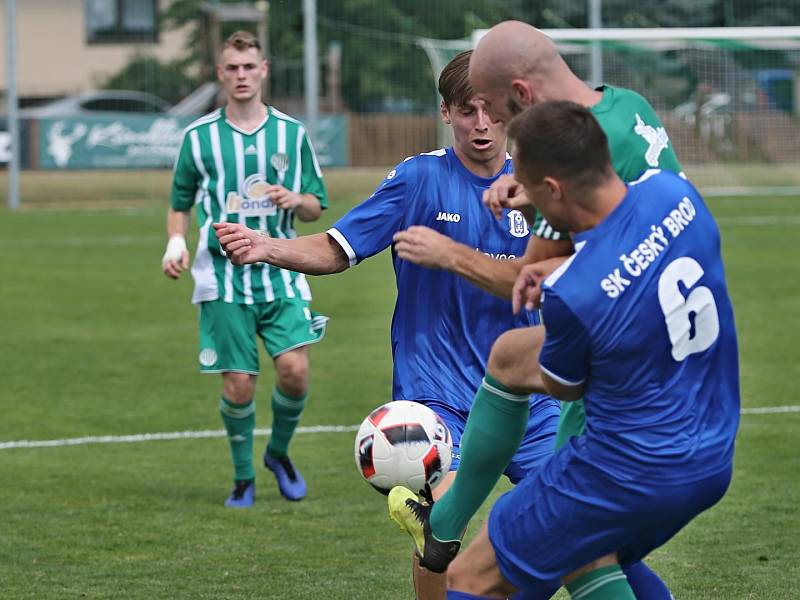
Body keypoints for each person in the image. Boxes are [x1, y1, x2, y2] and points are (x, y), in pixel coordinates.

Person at [214, 50, 560, 599]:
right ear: (446, 112)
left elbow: (546, 278)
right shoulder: (419, 179)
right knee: (440, 530)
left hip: (530, 394)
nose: (482, 124)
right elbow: (337, 249)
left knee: (575, 528)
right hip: (439, 394)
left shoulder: (541, 185)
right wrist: (267, 246)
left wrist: (452, 254)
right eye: (467, 111)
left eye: (492, 110)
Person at [389, 22, 684, 598]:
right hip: (678, 355)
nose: (493, 126)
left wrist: (450, 253)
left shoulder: (570, 151)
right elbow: (619, 213)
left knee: (496, 569)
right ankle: (443, 527)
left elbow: (532, 281)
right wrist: (539, 192)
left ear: (521, 97)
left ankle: (442, 532)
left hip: (616, 371)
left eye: (498, 111)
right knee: (513, 360)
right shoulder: (628, 111)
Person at [414, 100, 740, 599]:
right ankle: (450, 514)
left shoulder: (573, 296)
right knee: (584, 553)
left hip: (626, 464)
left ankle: (445, 521)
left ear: (555, 188)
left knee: (470, 577)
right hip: (711, 450)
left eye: (532, 194)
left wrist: (561, 278)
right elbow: (626, 247)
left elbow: (568, 384)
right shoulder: (675, 193)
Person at [161, 31, 329, 508]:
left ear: (264, 70)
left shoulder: (292, 135)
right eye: (232, 68)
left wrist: (296, 200)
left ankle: (278, 454)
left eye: (248, 67)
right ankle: (242, 479)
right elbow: (179, 202)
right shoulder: (199, 138)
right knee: (238, 382)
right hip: (222, 278)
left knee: (295, 370)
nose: (241, 76)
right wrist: (175, 240)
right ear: (220, 73)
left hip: (280, 269)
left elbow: (317, 206)